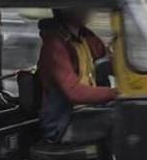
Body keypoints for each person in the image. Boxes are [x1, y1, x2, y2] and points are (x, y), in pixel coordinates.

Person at [37, 8, 117, 144]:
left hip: (86, 112)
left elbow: (105, 57)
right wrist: (118, 92)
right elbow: (74, 92)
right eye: (83, 3)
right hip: (62, 124)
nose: (90, 8)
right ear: (67, 8)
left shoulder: (82, 37)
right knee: (123, 118)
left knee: (130, 110)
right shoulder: (55, 46)